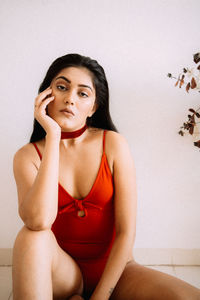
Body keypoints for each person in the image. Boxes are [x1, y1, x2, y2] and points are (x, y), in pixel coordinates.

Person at [12, 53, 200, 300]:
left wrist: (100, 297)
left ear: (94, 107)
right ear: (46, 95)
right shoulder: (28, 156)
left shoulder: (113, 144)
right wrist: (53, 136)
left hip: (117, 271)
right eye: (61, 87)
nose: (70, 99)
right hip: (62, 274)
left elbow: (125, 233)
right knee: (31, 237)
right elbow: (38, 222)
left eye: (82, 93)